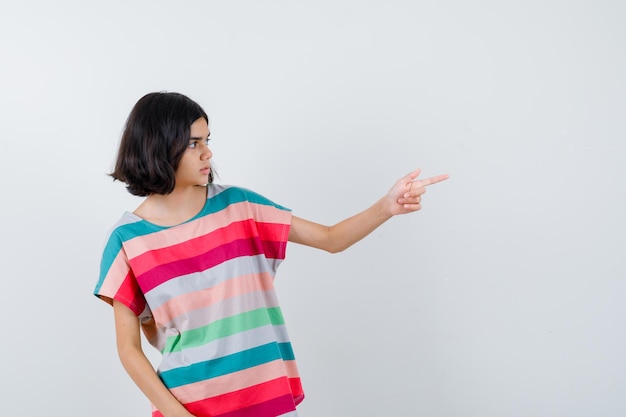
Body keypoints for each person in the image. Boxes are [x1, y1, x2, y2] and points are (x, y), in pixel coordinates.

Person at [94, 91, 449, 417]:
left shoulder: (240, 206)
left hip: (264, 400)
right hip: (188, 405)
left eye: (207, 140)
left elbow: (330, 238)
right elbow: (129, 350)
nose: (208, 153)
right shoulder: (127, 240)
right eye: (193, 143)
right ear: (158, 147)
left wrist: (386, 206)